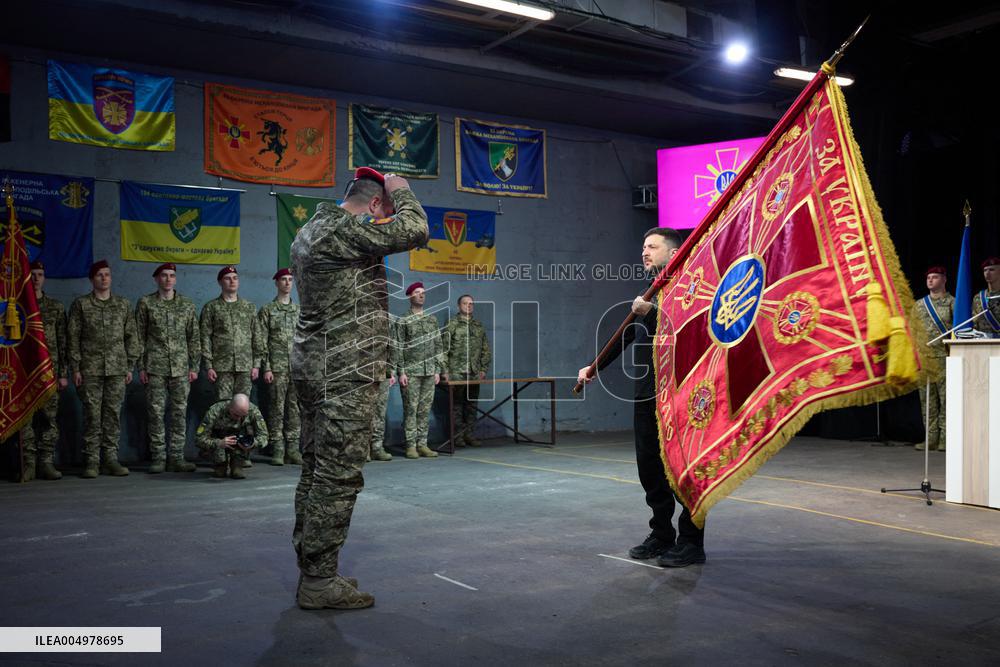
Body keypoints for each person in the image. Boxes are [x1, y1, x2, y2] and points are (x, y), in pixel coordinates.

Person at [291, 166, 428, 610]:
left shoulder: (313, 229)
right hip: (343, 370)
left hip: (318, 365)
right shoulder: (342, 231)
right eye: (381, 212)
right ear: (373, 205)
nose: (381, 222)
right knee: (337, 474)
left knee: (316, 469)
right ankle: (318, 581)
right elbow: (416, 229)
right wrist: (402, 192)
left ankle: (317, 570)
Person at [577, 228, 706, 568]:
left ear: (674, 253)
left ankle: (692, 541)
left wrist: (650, 313)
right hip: (647, 394)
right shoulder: (650, 291)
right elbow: (624, 337)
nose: (644, 252)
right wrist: (593, 368)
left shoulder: (691, 289)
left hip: (679, 395)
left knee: (681, 470)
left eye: (652, 246)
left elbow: (689, 333)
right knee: (649, 469)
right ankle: (662, 535)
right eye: (643, 246)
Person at [68, 259, 140, 478]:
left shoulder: (123, 305)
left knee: (112, 414)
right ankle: (91, 461)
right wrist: (76, 368)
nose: (104, 278)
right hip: (90, 369)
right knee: (92, 414)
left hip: (117, 369)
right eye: (99, 274)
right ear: (92, 279)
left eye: (107, 274)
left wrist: (130, 366)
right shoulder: (81, 305)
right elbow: (73, 337)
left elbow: (132, 336)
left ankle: (110, 458)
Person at [136, 263, 201, 473]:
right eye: (164, 275)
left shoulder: (187, 305)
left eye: (172, 275)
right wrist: (141, 367)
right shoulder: (146, 303)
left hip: (181, 367)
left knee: (179, 413)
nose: (168, 279)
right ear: (156, 279)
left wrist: (194, 366)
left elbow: (194, 337)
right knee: (155, 412)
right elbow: (139, 337)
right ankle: (158, 457)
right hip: (155, 366)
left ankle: (176, 457)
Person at [20, 260, 68, 481]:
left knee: (50, 419)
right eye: (33, 274)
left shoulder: (55, 307)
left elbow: (63, 342)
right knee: (25, 419)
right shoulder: (17, 307)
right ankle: (28, 464)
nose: (37, 278)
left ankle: (46, 462)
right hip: (24, 373)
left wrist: (63, 373)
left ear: (45, 277)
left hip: (50, 372)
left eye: (40, 274)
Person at [258, 268, 302, 466]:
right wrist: (266, 367)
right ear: (276, 283)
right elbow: (262, 342)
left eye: (290, 280)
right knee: (276, 408)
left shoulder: (300, 311)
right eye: (283, 279)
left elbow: (306, 340)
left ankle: (292, 449)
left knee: (294, 409)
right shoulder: (268, 310)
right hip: (276, 367)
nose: (287, 283)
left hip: (296, 367)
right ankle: (277, 448)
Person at [200, 265, 264, 401]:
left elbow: (257, 336)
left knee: (243, 405)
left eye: (235, 278)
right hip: (221, 366)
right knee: (223, 405)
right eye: (227, 278)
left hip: (245, 366)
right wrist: (209, 366)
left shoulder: (249, 307)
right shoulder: (211, 307)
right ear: (220, 282)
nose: (232, 281)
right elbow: (205, 338)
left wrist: (256, 365)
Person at [396, 282, 443, 459]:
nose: (422, 295)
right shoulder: (403, 320)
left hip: (429, 371)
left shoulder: (432, 320)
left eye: (423, 293)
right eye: (417, 292)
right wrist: (401, 371)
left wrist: (438, 369)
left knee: (425, 409)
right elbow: (398, 346)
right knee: (411, 409)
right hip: (411, 372)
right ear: (410, 296)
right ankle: (410, 445)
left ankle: (422, 444)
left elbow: (438, 345)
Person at [911, 266, 953, 452]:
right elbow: (912, 330)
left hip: (945, 357)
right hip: (925, 359)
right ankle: (930, 439)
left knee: (947, 400)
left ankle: (945, 439)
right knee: (927, 402)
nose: (930, 280)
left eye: (935, 277)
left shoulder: (953, 302)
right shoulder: (919, 305)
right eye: (928, 277)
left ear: (944, 280)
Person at [441, 294, 491, 447]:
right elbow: (443, 350)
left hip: (474, 372)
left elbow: (485, 349)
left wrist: (483, 368)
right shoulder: (452, 324)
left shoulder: (478, 326)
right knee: (456, 405)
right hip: (457, 372)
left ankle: (469, 435)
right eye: (465, 303)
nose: (468, 306)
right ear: (459, 306)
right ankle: (457, 437)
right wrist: (445, 371)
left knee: (471, 405)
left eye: (471, 304)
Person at [195, 393, 267, 480]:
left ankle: (237, 464)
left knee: (237, 474)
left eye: (243, 416)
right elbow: (199, 439)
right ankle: (220, 464)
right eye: (236, 415)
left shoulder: (253, 411)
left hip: (240, 448)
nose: (239, 419)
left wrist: (252, 443)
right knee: (220, 473)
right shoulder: (215, 412)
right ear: (230, 408)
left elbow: (264, 436)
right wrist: (219, 443)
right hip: (219, 445)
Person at [972, 257, 1000, 337]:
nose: (987, 273)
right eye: (985, 270)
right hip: (984, 343)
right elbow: (974, 323)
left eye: (992, 270)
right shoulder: (978, 298)